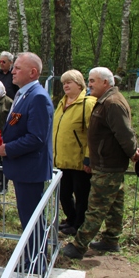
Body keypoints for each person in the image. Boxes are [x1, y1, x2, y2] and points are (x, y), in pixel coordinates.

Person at [62, 67, 139, 260]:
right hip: (106, 162)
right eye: (89, 80)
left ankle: (79, 246)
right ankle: (111, 239)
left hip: (109, 163)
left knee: (96, 207)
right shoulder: (104, 101)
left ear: (105, 82)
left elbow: (124, 133)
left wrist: (133, 152)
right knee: (114, 204)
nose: (89, 84)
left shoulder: (112, 103)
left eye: (92, 81)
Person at [0, 52, 53, 270]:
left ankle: (36, 263)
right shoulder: (23, 94)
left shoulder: (37, 97)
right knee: (28, 217)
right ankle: (32, 257)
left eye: (18, 68)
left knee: (32, 219)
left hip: (30, 169)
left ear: (33, 72)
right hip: (23, 168)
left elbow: (36, 138)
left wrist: (7, 149)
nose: (13, 71)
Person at [52, 70, 96, 236]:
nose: (66, 86)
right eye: (64, 83)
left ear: (79, 84)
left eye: (69, 82)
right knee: (63, 194)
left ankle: (79, 224)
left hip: (79, 160)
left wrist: (88, 157)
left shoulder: (87, 103)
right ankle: (70, 219)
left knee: (81, 194)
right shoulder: (62, 103)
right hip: (61, 158)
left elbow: (93, 133)